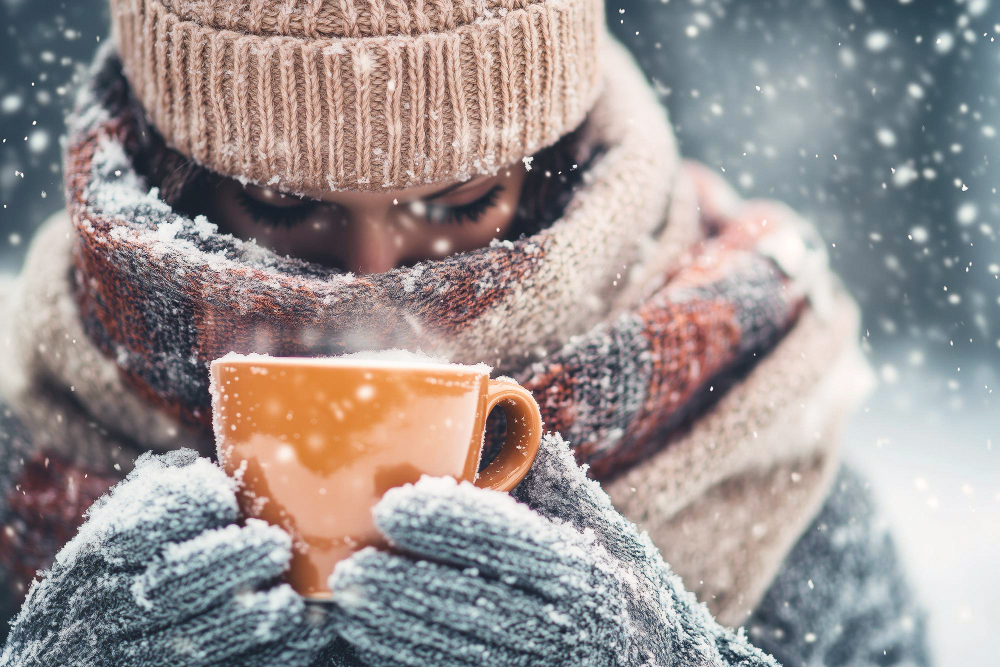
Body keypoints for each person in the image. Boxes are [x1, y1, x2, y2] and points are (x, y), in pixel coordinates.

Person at [0, 0, 930, 664]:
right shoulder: (21, 446)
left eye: (461, 202)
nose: (374, 282)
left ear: (557, 174)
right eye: (284, 205)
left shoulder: (756, 448)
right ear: (176, 181)